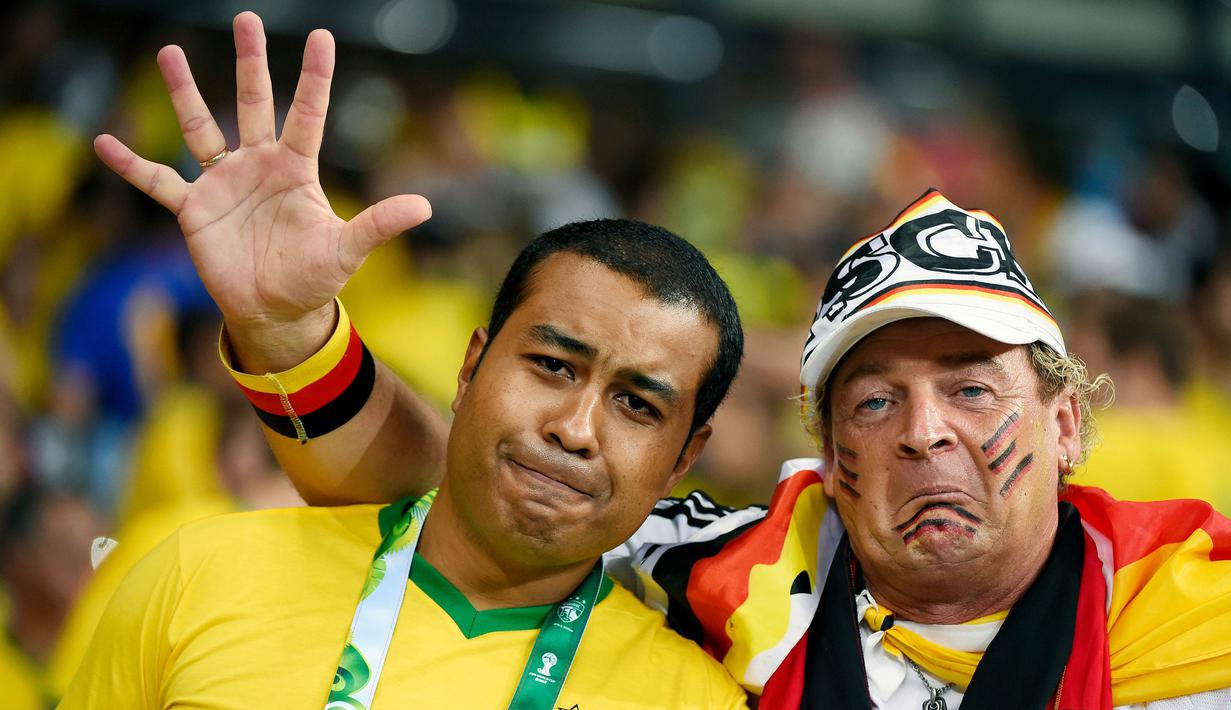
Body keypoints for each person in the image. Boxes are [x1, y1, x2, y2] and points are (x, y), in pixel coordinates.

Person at [269, 187, 1231, 707]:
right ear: (828, 456)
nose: (923, 431)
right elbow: (468, 489)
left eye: (971, 389)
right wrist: (286, 331)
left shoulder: (1195, 615)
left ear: (1065, 426)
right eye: (874, 401)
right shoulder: (728, 571)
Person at [62, 13, 748, 709]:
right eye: (552, 366)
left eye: (637, 404)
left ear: (684, 457)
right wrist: (283, 326)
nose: (574, 428)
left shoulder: (693, 700)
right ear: (470, 366)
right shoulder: (200, 573)